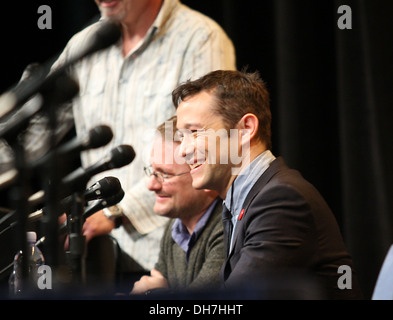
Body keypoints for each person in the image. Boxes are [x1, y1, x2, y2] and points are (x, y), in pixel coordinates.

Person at [0, 0, 234, 278]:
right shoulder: (87, 43)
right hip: (96, 254)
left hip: (170, 255)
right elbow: (29, 138)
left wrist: (113, 211)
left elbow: (212, 154)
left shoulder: (200, 37)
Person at [173, 70, 363, 299]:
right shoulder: (246, 198)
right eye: (181, 137)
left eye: (194, 132)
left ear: (245, 129)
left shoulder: (281, 199)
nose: (183, 150)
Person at [130, 116, 224, 295]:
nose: (152, 185)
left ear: (205, 175)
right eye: (152, 171)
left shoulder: (227, 228)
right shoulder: (176, 226)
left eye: (165, 174)